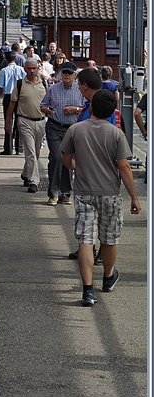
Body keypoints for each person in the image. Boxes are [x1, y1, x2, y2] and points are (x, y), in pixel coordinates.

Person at [61, 88, 141, 306]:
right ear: (113, 111)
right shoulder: (116, 134)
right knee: (109, 238)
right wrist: (134, 197)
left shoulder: (76, 130)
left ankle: (88, 290)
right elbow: (123, 167)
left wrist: (77, 166)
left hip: (84, 193)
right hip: (110, 194)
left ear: (92, 107)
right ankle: (108, 277)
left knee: (85, 239)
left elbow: (66, 160)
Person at [40, 62, 85, 203]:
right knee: (56, 157)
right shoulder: (53, 89)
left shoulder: (80, 90)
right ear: (61, 74)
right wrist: (46, 110)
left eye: (69, 73)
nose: (66, 75)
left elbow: (87, 108)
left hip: (72, 128)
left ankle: (65, 193)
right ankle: (53, 192)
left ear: (74, 75)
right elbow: (43, 105)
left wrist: (75, 110)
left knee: (68, 159)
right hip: (54, 126)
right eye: (64, 72)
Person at [11, 58, 47, 192]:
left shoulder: (44, 83)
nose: (32, 71)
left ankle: (26, 174)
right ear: (25, 69)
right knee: (30, 152)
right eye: (29, 68)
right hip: (24, 121)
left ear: (38, 68)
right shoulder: (20, 84)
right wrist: (8, 122)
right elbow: (12, 103)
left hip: (41, 121)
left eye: (34, 68)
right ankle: (34, 181)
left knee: (36, 152)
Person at [0, 50, 25, 154]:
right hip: (20, 97)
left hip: (8, 97)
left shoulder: (4, 71)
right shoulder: (21, 70)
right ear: (15, 59)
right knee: (19, 121)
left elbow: (0, 87)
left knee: (8, 121)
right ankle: (19, 148)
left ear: (6, 60)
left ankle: (8, 148)